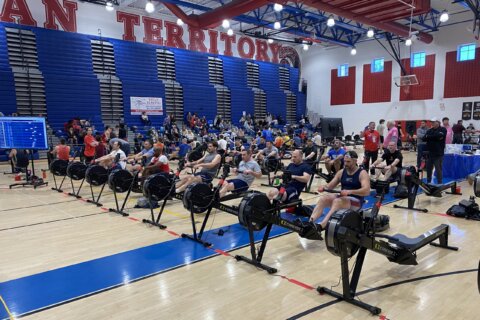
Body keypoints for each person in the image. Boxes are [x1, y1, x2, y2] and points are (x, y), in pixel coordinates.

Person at [309, 151, 370, 228]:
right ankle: (310, 222)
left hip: (356, 202)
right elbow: (330, 186)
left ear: (355, 161)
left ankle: (322, 226)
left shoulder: (362, 173)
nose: (345, 164)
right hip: (343, 199)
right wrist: (324, 187)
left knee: (337, 201)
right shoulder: (341, 172)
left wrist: (350, 191)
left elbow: (366, 191)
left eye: (348, 162)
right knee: (323, 198)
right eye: (344, 161)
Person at [423, 118, 447, 184]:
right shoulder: (430, 130)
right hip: (430, 153)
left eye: (433, 122)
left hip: (438, 154)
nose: (432, 123)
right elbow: (424, 138)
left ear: (438, 122)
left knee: (438, 169)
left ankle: (440, 183)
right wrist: (435, 137)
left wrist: (429, 137)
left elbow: (440, 136)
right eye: (431, 122)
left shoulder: (443, 129)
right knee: (428, 169)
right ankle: (428, 182)